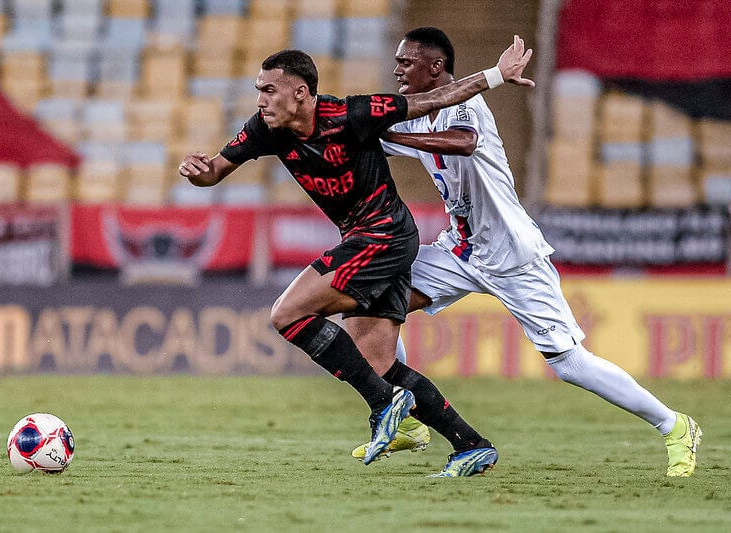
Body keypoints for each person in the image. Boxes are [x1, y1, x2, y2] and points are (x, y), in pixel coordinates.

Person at [350, 27, 701, 477]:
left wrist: (400, 140)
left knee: (570, 363)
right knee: (375, 305)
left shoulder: (463, 103)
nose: (396, 68)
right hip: (459, 250)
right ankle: (409, 423)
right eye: (396, 60)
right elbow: (360, 140)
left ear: (435, 67)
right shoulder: (415, 112)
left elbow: (465, 142)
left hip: (513, 255)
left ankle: (675, 426)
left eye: (406, 61)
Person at [179, 36, 535, 475]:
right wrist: (199, 174)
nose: (260, 100)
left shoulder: (353, 114)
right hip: (367, 240)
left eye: (269, 90)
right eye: (258, 90)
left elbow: (433, 100)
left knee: (286, 314)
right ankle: (471, 445)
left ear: (301, 93)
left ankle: (385, 406)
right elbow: (215, 170)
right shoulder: (263, 129)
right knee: (379, 364)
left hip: (383, 235)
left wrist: (496, 76)